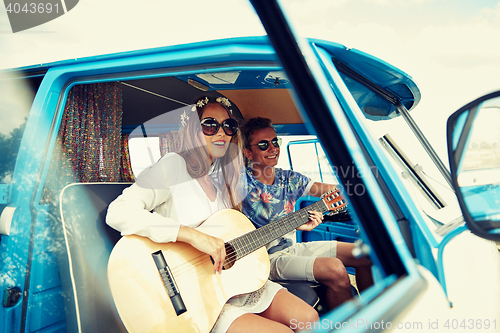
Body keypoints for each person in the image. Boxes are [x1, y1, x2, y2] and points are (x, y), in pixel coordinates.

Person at [106, 97, 318, 333]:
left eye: (228, 126)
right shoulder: (174, 166)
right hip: (195, 294)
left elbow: (234, 241)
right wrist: (192, 236)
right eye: (210, 125)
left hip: (229, 282)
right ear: (193, 131)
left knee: (309, 319)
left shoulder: (221, 185)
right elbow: (119, 211)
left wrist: (293, 225)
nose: (221, 133)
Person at [240, 117, 374, 310]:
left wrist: (356, 184)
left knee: (362, 254)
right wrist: (295, 223)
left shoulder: (289, 178)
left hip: (291, 248)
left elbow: (330, 190)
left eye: (275, 141)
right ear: (248, 152)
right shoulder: (240, 183)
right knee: (336, 269)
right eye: (263, 144)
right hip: (266, 259)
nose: (272, 148)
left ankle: (376, 315)